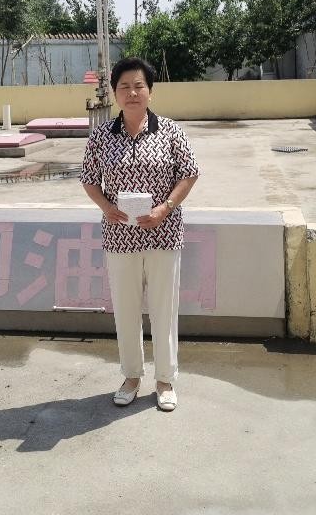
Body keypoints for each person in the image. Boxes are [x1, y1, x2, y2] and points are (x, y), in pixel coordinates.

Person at [80, 57, 199, 411]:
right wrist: (106, 207)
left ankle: (165, 380)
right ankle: (131, 376)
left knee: (164, 310)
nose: (132, 93)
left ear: (150, 91)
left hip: (163, 234)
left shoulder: (171, 132)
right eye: (124, 87)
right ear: (115, 93)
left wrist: (165, 208)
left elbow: (189, 173)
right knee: (126, 310)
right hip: (120, 237)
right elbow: (89, 180)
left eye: (138, 86)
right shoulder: (101, 136)